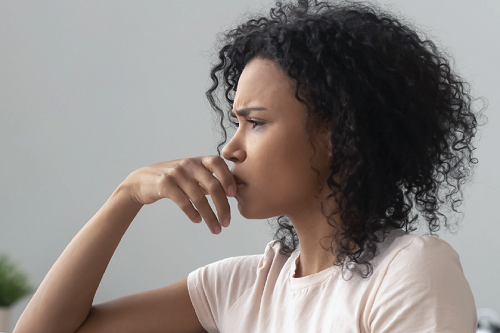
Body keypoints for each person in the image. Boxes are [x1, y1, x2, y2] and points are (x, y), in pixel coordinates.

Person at [14, 0, 483, 332]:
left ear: (341, 134)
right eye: (234, 124)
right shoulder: (241, 287)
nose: (228, 149)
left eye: (255, 124)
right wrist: (127, 195)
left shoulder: (408, 271)